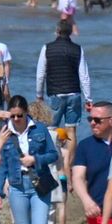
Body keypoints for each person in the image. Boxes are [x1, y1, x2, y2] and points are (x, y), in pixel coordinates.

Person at [0, 96, 58, 224]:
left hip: (38, 183)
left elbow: (53, 154)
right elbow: (0, 162)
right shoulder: (5, 132)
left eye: (19, 116)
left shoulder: (39, 129)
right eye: (12, 116)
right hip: (17, 185)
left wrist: (35, 159)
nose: (15, 120)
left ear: (26, 113)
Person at [35, 20, 91, 175]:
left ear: (57, 30)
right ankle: (69, 164)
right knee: (71, 129)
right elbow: (84, 76)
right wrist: (89, 99)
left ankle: (56, 163)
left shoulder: (47, 48)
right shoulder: (78, 49)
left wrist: (39, 95)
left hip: (55, 93)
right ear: (71, 32)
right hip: (74, 93)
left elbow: (41, 74)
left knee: (52, 129)